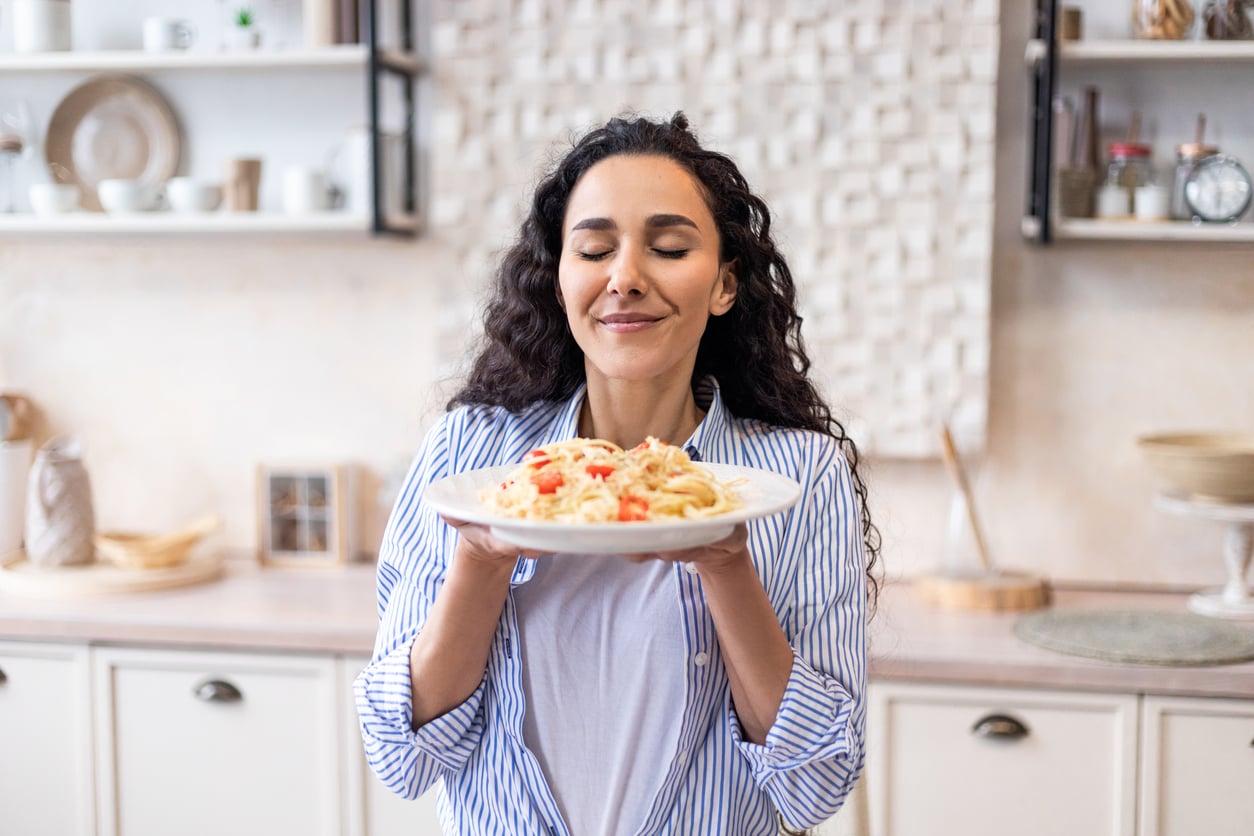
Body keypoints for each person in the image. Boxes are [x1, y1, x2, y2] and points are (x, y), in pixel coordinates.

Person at [354, 112, 881, 836]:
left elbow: (816, 786)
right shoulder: (467, 456)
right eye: (595, 249)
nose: (625, 278)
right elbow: (399, 757)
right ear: (560, 280)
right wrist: (479, 558)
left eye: (667, 248)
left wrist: (728, 563)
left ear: (724, 284)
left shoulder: (798, 475)